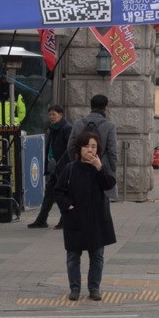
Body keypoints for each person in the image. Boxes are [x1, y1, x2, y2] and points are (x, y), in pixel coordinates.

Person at [51, 128, 116, 301]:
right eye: (86, 146)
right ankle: (75, 288)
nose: (90, 150)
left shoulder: (100, 167)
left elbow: (109, 184)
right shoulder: (70, 168)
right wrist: (68, 207)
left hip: (97, 219)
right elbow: (58, 191)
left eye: (94, 147)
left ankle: (94, 288)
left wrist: (99, 168)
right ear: (79, 149)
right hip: (76, 219)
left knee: (97, 256)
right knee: (73, 256)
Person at [26, 104, 72, 229]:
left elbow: (69, 149)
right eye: (50, 114)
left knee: (63, 194)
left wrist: (61, 163)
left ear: (61, 115)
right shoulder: (53, 128)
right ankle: (41, 220)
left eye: (54, 114)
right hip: (53, 167)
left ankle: (64, 220)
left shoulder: (67, 128)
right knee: (49, 195)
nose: (51, 117)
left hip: (62, 167)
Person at [71, 93, 120, 174]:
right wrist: (113, 168)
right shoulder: (110, 126)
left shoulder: (77, 123)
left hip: (82, 168)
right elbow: (112, 151)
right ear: (105, 108)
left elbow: (70, 146)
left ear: (91, 108)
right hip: (102, 168)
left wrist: (76, 162)